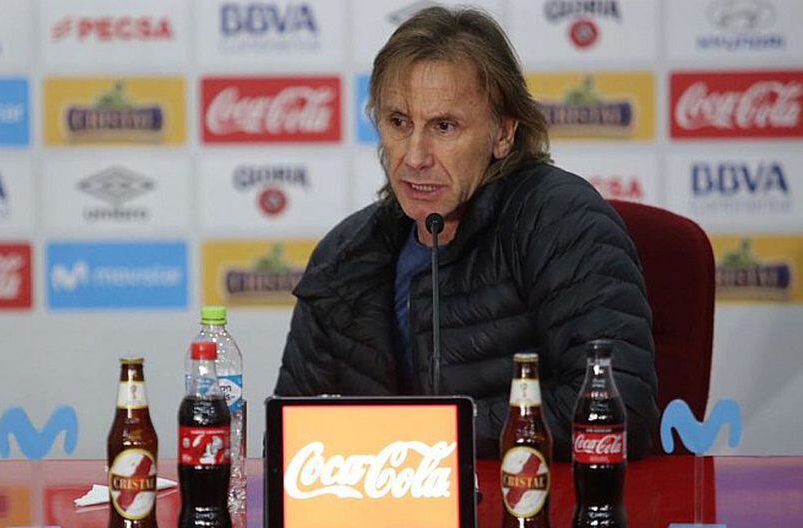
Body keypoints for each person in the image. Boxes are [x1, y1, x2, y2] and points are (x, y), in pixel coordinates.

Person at [273, 6, 659, 460]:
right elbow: (289, 440)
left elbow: (619, 406)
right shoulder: (345, 255)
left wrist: (427, 435)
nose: (415, 156)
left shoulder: (561, 222)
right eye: (399, 122)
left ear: (503, 134)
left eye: (444, 126)